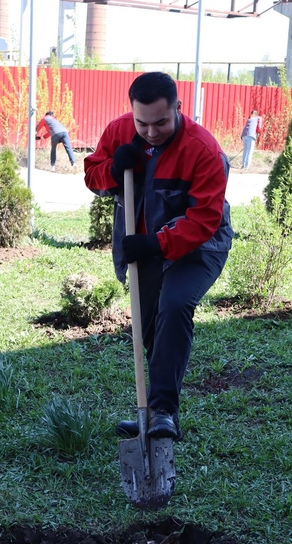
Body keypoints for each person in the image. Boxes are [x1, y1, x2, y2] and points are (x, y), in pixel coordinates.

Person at [83, 72, 233, 440]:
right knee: (149, 325)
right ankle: (150, 411)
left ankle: (164, 410)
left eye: (161, 122)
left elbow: (204, 220)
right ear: (132, 112)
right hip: (144, 245)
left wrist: (155, 244)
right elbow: (92, 175)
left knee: (175, 304)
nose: (151, 132)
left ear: (178, 108)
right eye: (143, 123)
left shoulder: (203, 150)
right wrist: (112, 169)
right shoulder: (119, 131)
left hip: (199, 246)